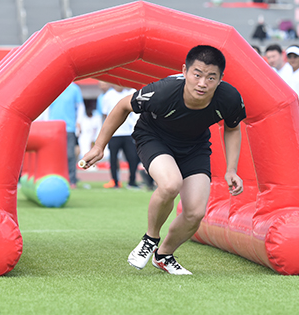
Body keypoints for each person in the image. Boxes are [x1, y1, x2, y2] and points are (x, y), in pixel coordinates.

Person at [79, 45, 246, 275]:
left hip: (194, 147)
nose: (202, 83)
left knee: (195, 213)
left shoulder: (229, 97)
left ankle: (164, 255)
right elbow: (123, 105)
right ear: (185, 71)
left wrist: (231, 169)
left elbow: (232, 128)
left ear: (220, 79)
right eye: (197, 74)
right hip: (154, 138)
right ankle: (150, 238)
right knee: (170, 184)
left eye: (211, 77)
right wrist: (99, 146)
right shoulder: (163, 92)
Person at [100, 84, 140, 189]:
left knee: (133, 158)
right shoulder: (108, 96)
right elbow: (105, 114)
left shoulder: (129, 93)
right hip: (114, 134)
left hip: (128, 133)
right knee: (113, 159)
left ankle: (132, 181)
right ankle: (115, 182)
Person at [48, 82, 84, 188]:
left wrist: (79, 121)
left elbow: (80, 106)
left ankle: (72, 180)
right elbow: (47, 107)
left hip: (69, 127)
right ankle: (54, 179)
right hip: (53, 127)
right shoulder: (52, 87)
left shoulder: (74, 88)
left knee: (70, 155)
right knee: (54, 155)